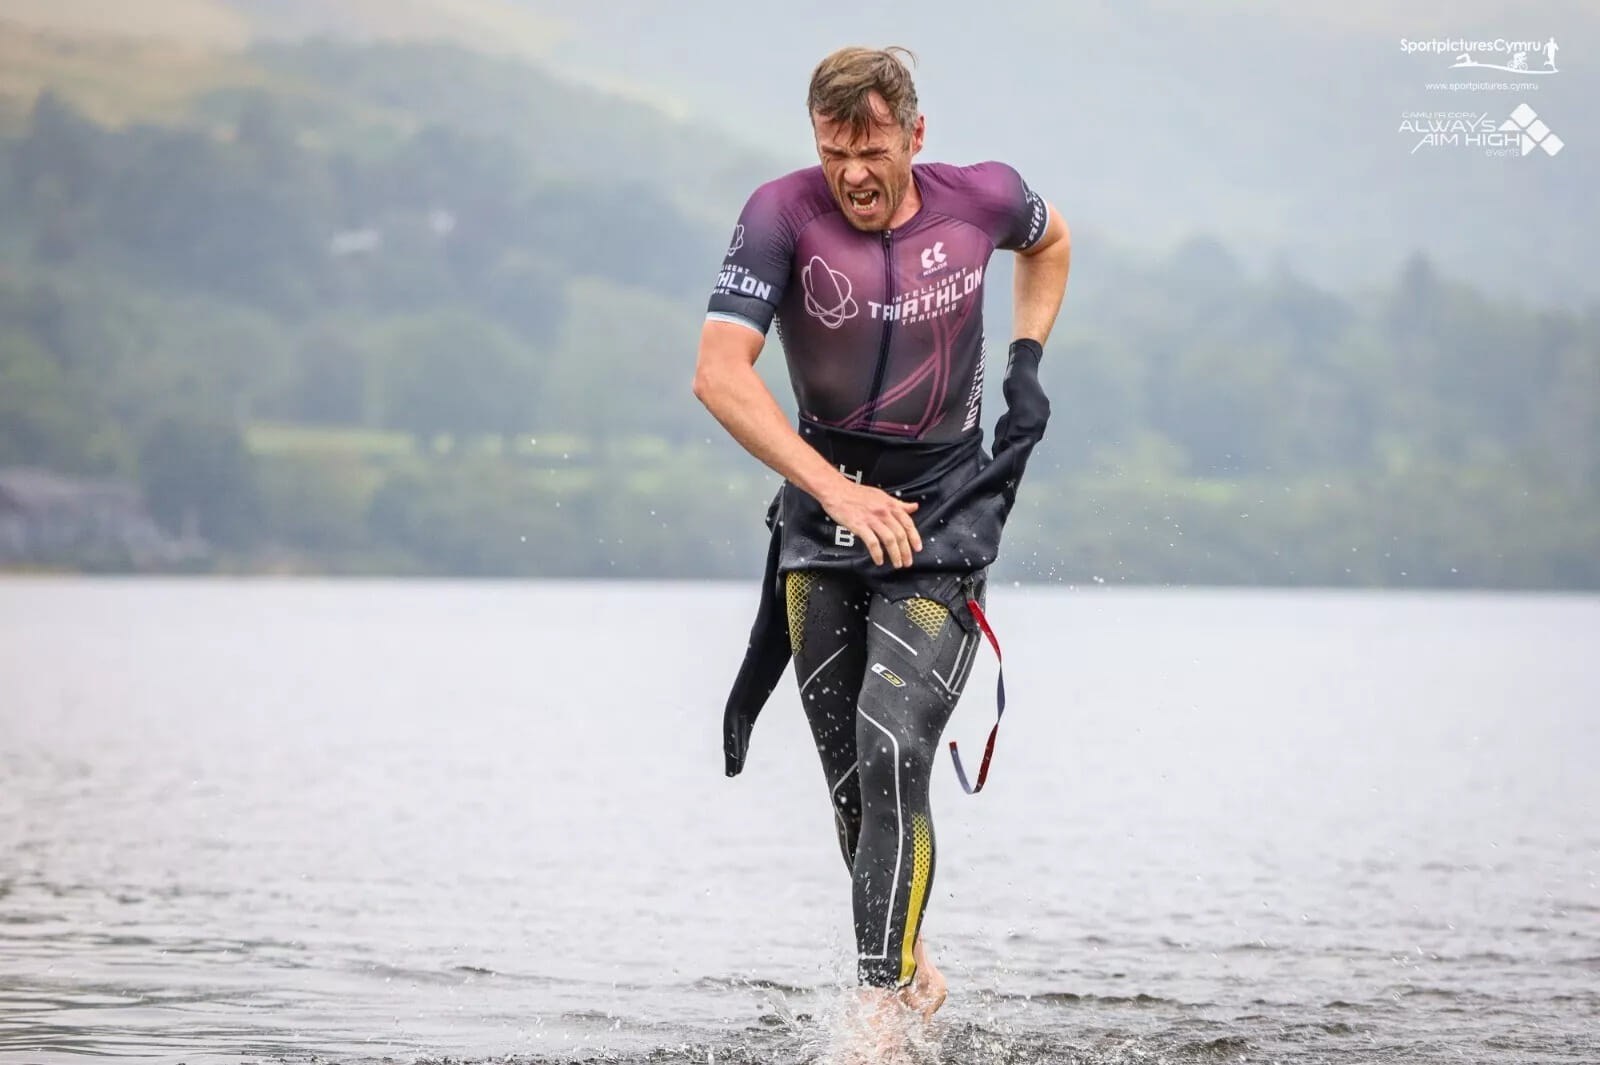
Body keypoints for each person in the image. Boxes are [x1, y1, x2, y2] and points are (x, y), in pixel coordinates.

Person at [691, 44, 1071, 1040]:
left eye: (870, 150)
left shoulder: (981, 199)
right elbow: (719, 374)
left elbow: (1052, 241)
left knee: (893, 737)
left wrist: (1026, 359)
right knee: (852, 779)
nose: (851, 173)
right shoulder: (781, 215)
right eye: (831, 151)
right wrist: (833, 492)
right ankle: (906, 967)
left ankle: (876, 1012)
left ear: (914, 136)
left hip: (941, 515)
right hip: (820, 521)